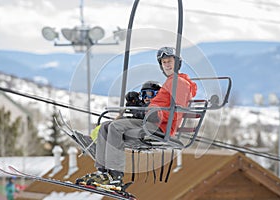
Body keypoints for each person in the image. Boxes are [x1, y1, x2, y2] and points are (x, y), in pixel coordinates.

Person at [78, 47, 197, 188]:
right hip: (149, 121)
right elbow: (157, 104)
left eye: (170, 61)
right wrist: (139, 106)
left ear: (177, 63)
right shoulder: (171, 81)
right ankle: (103, 171)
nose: (167, 65)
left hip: (160, 127)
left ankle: (115, 174)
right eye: (164, 62)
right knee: (106, 126)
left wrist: (155, 114)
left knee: (115, 128)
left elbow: (176, 111)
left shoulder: (180, 83)